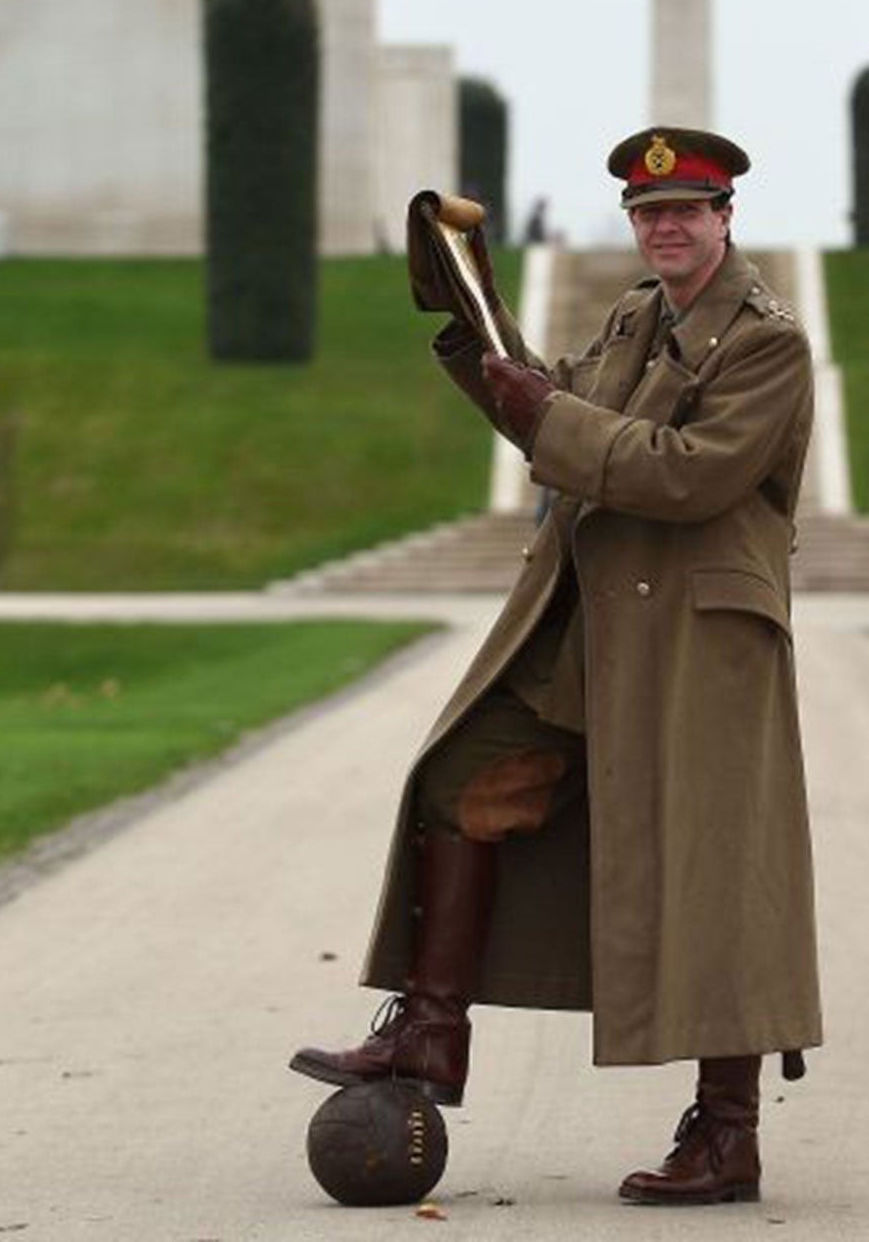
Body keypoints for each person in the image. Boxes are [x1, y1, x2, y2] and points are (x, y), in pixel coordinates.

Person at [291, 126, 822, 1207]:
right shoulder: (638, 315)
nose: (665, 226)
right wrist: (468, 320)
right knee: (464, 780)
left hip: (698, 639)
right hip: (595, 627)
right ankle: (430, 1033)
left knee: (715, 874)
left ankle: (727, 1134)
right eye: (646, 212)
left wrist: (548, 414)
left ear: (725, 217)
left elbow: (687, 476)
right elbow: (557, 403)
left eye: (686, 209)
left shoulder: (768, 344)